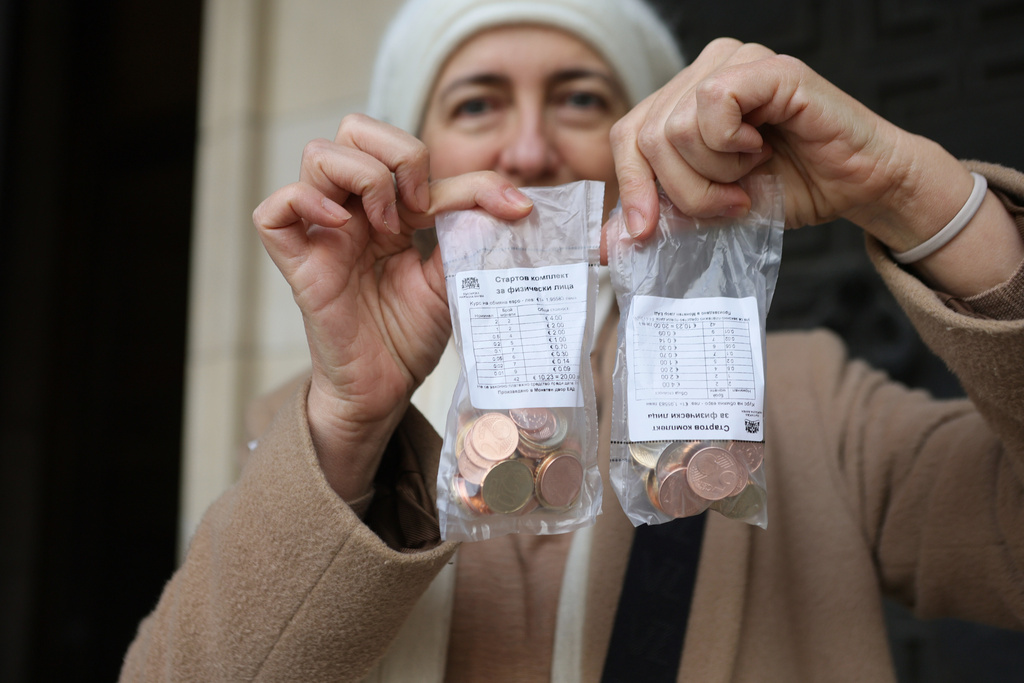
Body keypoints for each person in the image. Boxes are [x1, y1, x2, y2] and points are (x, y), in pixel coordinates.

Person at [120, 0, 1024, 680]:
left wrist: (918, 197)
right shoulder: (305, 433)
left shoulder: (802, 398)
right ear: (417, 152)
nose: (527, 149)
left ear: (645, 143)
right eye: (476, 104)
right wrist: (350, 421)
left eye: (581, 98)